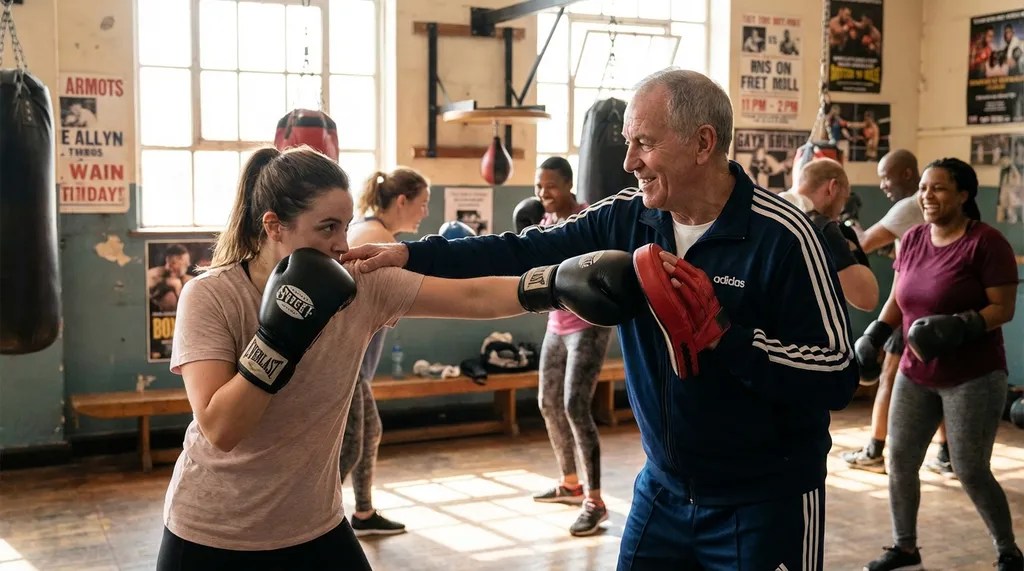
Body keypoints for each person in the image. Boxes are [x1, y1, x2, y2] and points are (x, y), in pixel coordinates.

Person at [341, 68, 859, 570]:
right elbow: (523, 248)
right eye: (626, 142)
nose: (629, 161)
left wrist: (726, 337)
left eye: (645, 144)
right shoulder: (628, 216)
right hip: (663, 490)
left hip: (765, 499)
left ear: (703, 144)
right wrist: (413, 254)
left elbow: (838, 373)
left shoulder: (784, 236)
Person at [156, 146, 572, 569]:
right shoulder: (211, 295)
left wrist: (558, 285)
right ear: (274, 225)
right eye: (327, 227)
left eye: (347, 225)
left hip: (314, 524)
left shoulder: (360, 284)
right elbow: (221, 430)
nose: (342, 243)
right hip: (213, 534)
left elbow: (472, 294)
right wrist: (279, 337)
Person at [855, 158, 1022, 571]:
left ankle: (1008, 550)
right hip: (916, 372)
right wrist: (875, 334)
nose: (927, 196)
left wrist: (959, 326)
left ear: (963, 195)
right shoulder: (912, 239)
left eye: (939, 188)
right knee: (900, 460)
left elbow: (1003, 309)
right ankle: (905, 547)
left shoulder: (986, 243)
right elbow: (898, 298)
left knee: (969, 468)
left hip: (974, 377)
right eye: (924, 189)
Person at [845, 149, 954, 478]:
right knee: (941, 381)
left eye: (886, 177)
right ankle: (947, 454)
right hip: (937, 305)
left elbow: (861, 244)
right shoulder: (926, 212)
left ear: (907, 174)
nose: (882, 185)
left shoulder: (909, 206)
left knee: (889, 378)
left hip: (909, 306)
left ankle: (875, 449)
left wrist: (848, 222)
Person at [339, 167, 431, 537]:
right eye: (421, 204)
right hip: (345, 364)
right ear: (402, 200)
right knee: (350, 445)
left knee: (369, 431)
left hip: (355, 364)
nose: (424, 213)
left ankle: (362, 512)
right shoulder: (376, 237)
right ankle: (310, 518)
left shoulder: (372, 231)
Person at [528, 156, 613, 536]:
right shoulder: (545, 223)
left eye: (551, 186)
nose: (543, 193)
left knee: (575, 406)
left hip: (589, 326)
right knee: (547, 402)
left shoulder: (586, 220)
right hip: (556, 325)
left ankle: (595, 501)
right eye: (538, 186)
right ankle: (570, 482)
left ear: (569, 184)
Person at [779, 158, 878, 312]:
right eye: (843, 199)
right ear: (833, 187)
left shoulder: (771, 211)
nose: (839, 212)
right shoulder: (821, 228)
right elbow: (867, 299)